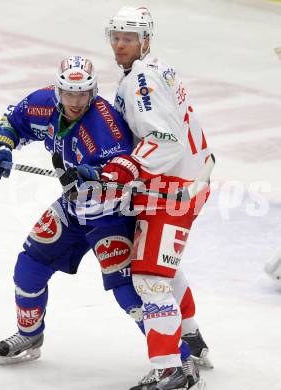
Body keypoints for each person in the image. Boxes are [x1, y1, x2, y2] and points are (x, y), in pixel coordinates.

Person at [0, 56, 145, 365]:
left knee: (128, 293)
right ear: (58, 90)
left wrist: (99, 175)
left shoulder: (104, 123)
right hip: (72, 208)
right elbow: (11, 124)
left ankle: (175, 355)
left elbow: (125, 166)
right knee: (28, 267)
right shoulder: (42, 103)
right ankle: (30, 334)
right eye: (69, 93)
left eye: (83, 94)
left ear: (93, 91)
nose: (76, 101)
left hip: (112, 214)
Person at [101, 6, 214, 390]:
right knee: (159, 263)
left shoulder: (140, 83)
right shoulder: (156, 67)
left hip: (175, 189)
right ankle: (193, 339)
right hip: (190, 179)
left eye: (128, 39)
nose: (120, 45)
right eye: (115, 37)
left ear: (145, 40)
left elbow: (164, 141)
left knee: (149, 277)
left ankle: (171, 370)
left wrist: (125, 169)